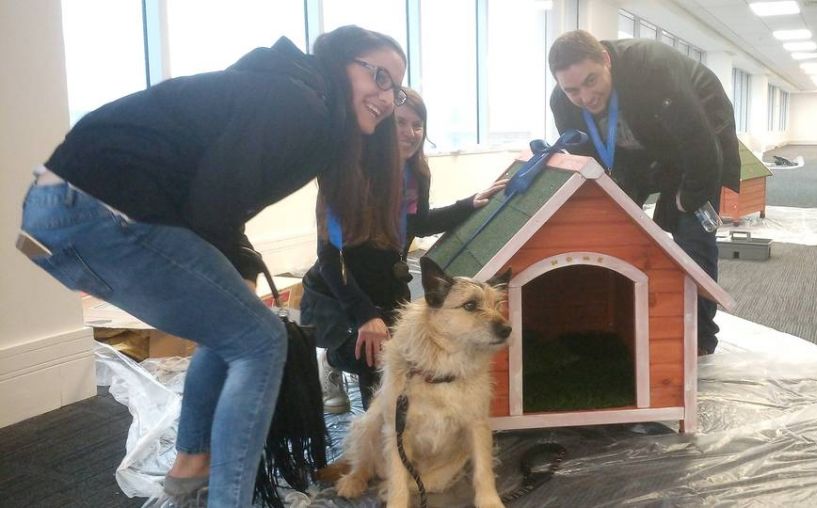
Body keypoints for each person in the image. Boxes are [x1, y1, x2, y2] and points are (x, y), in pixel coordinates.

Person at [18, 26, 407, 507]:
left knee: (232, 327)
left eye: (398, 87)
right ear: (340, 61)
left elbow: (216, 195)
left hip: (51, 221)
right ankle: (223, 495)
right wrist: (237, 264)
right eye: (380, 77)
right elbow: (213, 204)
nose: (389, 98)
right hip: (97, 208)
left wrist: (238, 265)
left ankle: (189, 474)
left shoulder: (291, 96)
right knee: (261, 340)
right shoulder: (301, 107)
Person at [301, 86, 506, 412]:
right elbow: (330, 258)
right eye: (401, 123)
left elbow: (419, 224)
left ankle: (388, 416)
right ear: (381, 126)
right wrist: (365, 315)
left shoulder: (415, 174)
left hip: (385, 286)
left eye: (418, 125)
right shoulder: (347, 176)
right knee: (374, 356)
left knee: (405, 358)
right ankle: (331, 362)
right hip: (339, 294)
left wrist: (470, 204)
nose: (411, 133)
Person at [548, 30, 740, 355]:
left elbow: (702, 147)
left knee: (692, 234)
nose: (586, 96)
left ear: (606, 60)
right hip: (635, 153)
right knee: (614, 230)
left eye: (591, 81)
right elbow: (589, 158)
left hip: (698, 142)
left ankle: (701, 339)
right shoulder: (562, 103)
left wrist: (685, 200)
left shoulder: (653, 68)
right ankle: (620, 316)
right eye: (573, 90)